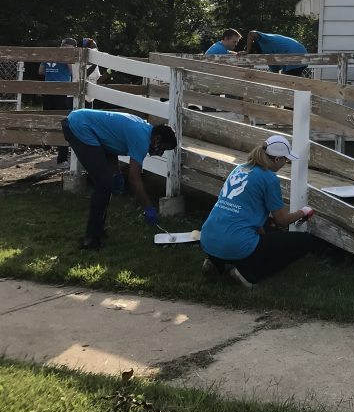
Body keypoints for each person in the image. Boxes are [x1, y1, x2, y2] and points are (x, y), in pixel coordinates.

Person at [200, 135, 317, 288]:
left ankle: (215, 262)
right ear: (277, 159)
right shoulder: (269, 178)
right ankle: (248, 275)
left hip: (208, 237)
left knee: (264, 233)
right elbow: (282, 220)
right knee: (306, 242)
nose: (285, 164)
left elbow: (250, 214)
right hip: (235, 243)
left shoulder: (239, 168)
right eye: (285, 160)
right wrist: (303, 212)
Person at [61, 109, 178, 249]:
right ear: (157, 139)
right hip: (79, 126)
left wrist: (116, 173)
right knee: (103, 184)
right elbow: (134, 178)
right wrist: (148, 207)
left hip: (80, 121)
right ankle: (90, 239)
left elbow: (110, 144)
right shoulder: (142, 139)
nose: (161, 152)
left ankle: (97, 231)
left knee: (106, 183)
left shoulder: (145, 129)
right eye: (163, 148)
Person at [39, 37, 77, 165]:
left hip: (48, 90)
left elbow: (41, 70)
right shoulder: (68, 56)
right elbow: (72, 71)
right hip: (62, 92)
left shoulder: (50, 53)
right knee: (63, 122)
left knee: (47, 118)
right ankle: (62, 157)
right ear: (71, 48)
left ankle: (48, 143)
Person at [81, 38, 111, 108]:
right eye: (93, 47)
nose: (96, 49)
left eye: (96, 47)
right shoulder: (80, 61)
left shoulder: (94, 63)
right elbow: (84, 75)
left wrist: (110, 71)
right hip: (78, 98)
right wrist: (96, 63)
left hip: (90, 98)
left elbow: (98, 80)